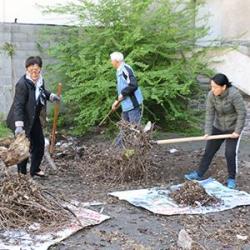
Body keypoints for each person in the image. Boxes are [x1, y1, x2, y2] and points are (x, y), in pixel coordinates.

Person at [184, 73, 246, 189]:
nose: (212, 90)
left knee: (230, 153)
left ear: (223, 87)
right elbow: (210, 114)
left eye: (215, 87)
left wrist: (237, 131)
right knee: (209, 150)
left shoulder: (234, 95)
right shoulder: (211, 95)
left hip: (233, 128)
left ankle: (231, 178)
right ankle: (199, 173)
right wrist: (207, 132)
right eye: (211, 86)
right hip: (218, 126)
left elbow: (242, 113)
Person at [6, 56, 60, 178]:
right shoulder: (22, 84)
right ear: (27, 70)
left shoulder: (40, 80)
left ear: (40, 69)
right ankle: (22, 174)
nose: (34, 73)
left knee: (39, 144)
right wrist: (19, 126)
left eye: (37, 70)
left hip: (33, 117)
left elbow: (41, 92)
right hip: (22, 119)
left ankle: (34, 169)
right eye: (32, 70)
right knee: (23, 148)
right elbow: (18, 105)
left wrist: (51, 96)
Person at [110, 52, 143, 124]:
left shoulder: (125, 69)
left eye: (112, 60)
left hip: (132, 105)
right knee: (125, 129)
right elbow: (122, 89)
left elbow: (133, 85)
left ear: (116, 61)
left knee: (134, 128)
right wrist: (116, 102)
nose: (111, 62)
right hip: (125, 105)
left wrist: (122, 94)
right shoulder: (119, 71)